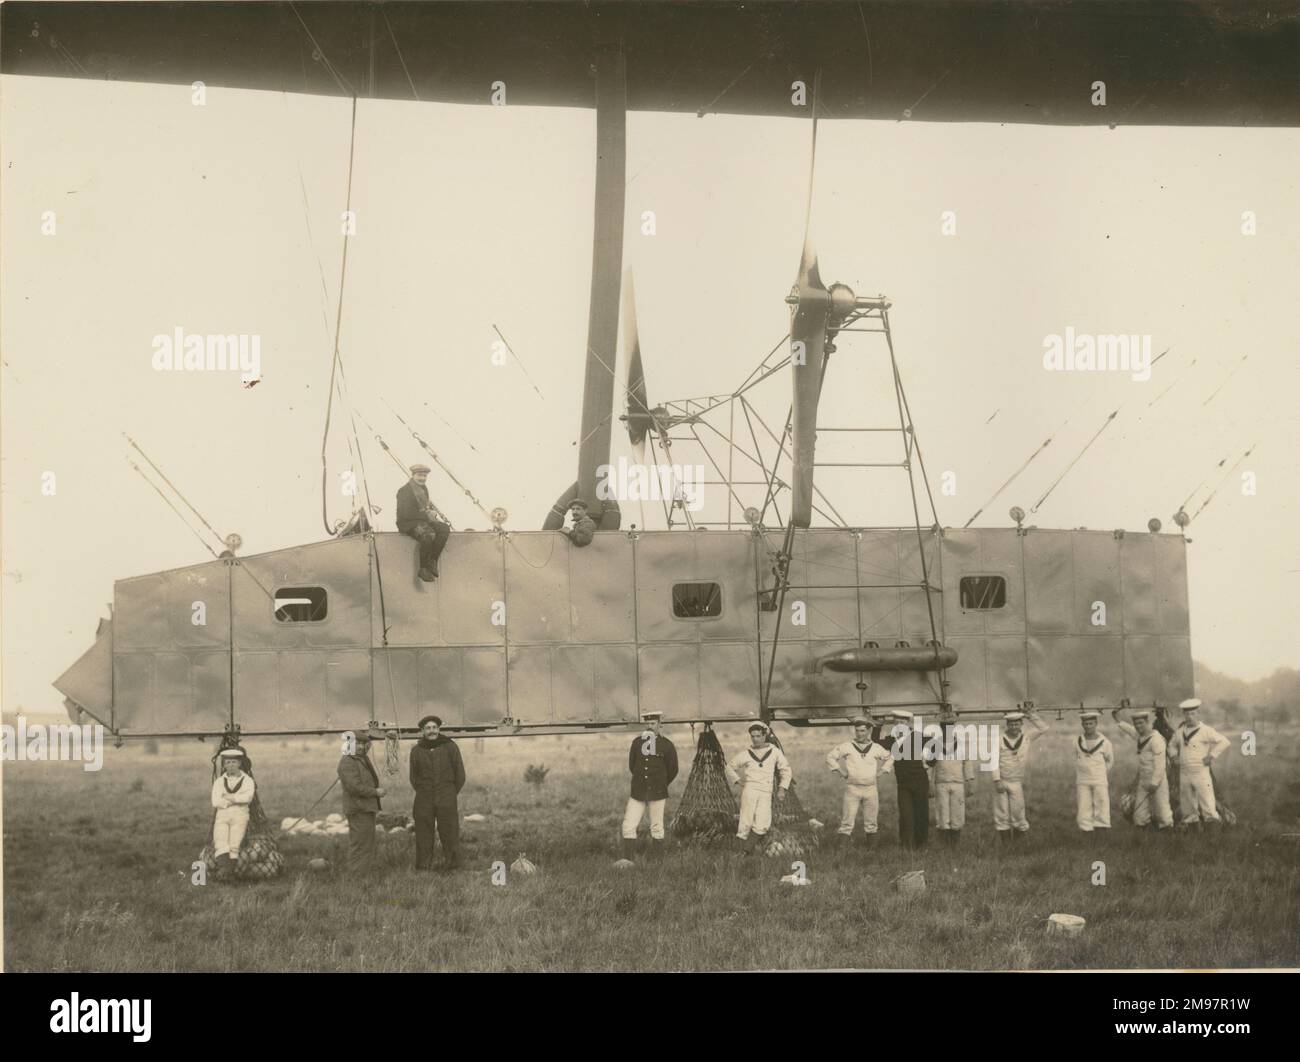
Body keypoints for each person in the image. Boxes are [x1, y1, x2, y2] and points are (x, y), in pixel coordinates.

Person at [824, 716, 894, 845]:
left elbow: (890, 758)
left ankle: (871, 850)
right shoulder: (847, 746)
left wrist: (882, 771)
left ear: (868, 731)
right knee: (847, 821)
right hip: (852, 788)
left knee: (871, 821)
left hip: (870, 788)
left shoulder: (875, 747)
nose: (860, 734)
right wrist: (841, 772)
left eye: (862, 731)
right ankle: (841, 850)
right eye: (857, 731)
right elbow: (830, 757)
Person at [409, 714, 466, 870]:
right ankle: (423, 866)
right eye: (428, 728)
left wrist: (449, 793)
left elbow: (460, 775)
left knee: (449, 831)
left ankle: (453, 866)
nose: (431, 731)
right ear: (422, 730)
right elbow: (413, 777)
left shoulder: (450, 747)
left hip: (446, 797)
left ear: (439, 729)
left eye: (434, 727)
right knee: (423, 832)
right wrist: (424, 791)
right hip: (424, 798)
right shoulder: (417, 750)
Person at [873, 710, 936, 849]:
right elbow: (875, 743)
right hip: (903, 784)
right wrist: (877, 726)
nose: (899, 725)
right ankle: (906, 845)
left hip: (920, 781)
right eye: (896, 723)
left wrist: (928, 764)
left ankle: (921, 844)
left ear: (908, 723)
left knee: (921, 813)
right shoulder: (891, 739)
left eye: (902, 722)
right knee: (905, 814)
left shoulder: (918, 736)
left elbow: (936, 746)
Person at [724, 722, 791, 851]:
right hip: (750, 790)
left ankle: (746, 850)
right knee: (745, 822)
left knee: (763, 824)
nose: (755, 739)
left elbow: (786, 770)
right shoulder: (746, 753)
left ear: (764, 735)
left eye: (758, 736)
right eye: (753, 736)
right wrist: (738, 781)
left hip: (766, 791)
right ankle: (741, 853)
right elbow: (729, 767)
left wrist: (782, 788)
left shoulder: (774, 752)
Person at [622, 711, 679, 859]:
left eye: (653, 723)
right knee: (629, 825)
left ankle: (657, 862)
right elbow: (632, 766)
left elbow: (673, 770)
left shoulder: (667, 745)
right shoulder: (637, 743)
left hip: (657, 792)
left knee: (657, 826)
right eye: (647, 723)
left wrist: (660, 784)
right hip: (638, 791)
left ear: (660, 725)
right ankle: (628, 860)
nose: (649, 726)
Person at [1167, 697, 1231, 829]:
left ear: (1198, 714)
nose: (1189, 717)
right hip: (1184, 771)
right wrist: (1174, 757)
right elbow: (1171, 745)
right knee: (1187, 802)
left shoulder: (1205, 730)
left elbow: (1224, 741)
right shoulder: (1180, 732)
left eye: (1193, 713)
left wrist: (1212, 756)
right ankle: (1193, 828)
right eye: (1187, 714)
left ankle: (1213, 828)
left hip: (1200, 770)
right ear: (1183, 715)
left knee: (1207, 801)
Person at [991, 708, 1048, 841]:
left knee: (1018, 812)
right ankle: (1006, 845)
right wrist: (997, 780)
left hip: (1016, 781)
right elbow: (993, 761)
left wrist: (1030, 716)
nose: (1014, 727)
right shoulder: (999, 739)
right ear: (1007, 725)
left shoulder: (1026, 736)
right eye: (1011, 724)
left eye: (1017, 724)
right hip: (1002, 780)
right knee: (1002, 813)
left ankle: (1018, 845)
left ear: (1021, 724)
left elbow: (1044, 728)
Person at [1112, 707, 1173, 830]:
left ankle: (1169, 836)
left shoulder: (1157, 739)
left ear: (1147, 723)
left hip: (1158, 781)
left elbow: (1160, 765)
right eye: (1136, 723)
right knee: (1139, 814)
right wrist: (1117, 719)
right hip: (1143, 779)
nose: (1138, 726)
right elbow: (1130, 730)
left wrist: (1155, 783)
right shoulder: (1141, 736)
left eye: (1141, 723)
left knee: (1163, 811)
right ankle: (1142, 837)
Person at [337, 727, 387, 873]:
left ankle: (363, 873)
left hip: (365, 808)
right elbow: (355, 788)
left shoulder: (361, 758)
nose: (359, 746)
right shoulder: (347, 762)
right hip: (358, 809)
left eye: (362, 743)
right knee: (360, 844)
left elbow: (368, 745)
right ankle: (357, 875)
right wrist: (375, 792)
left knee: (366, 842)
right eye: (355, 743)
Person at [396, 464, 450, 581]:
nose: (422, 478)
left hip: (421, 520)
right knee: (428, 534)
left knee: (444, 528)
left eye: (424, 476)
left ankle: (433, 560)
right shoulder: (404, 491)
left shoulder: (423, 488)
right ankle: (423, 568)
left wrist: (430, 513)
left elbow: (424, 506)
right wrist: (427, 515)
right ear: (413, 475)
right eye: (419, 475)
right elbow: (406, 513)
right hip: (407, 523)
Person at [211, 747, 256, 879]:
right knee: (220, 842)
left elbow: (247, 798)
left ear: (239, 763)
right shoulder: (219, 782)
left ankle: (228, 873)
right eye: (228, 762)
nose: (231, 765)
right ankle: (226, 872)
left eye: (234, 762)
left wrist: (229, 797)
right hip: (222, 815)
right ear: (224, 765)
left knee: (234, 844)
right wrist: (235, 800)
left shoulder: (247, 780)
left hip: (240, 815)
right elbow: (215, 801)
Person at [932, 721, 977, 845]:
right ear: (941, 729)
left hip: (958, 783)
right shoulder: (935, 745)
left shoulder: (961, 745)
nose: (947, 731)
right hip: (941, 783)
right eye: (944, 728)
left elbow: (967, 763)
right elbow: (930, 766)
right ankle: (944, 844)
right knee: (942, 813)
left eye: (950, 728)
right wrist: (930, 784)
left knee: (957, 813)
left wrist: (970, 782)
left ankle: (954, 844)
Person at [1073, 710, 1114, 832]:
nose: (1088, 726)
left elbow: (1110, 760)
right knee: (1083, 805)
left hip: (1099, 779)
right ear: (1082, 725)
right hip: (1083, 779)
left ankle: (1102, 828)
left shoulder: (1105, 742)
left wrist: (1101, 772)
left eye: (1091, 723)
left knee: (1101, 803)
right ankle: (1086, 830)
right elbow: (1075, 758)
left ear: (1096, 724)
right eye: (1086, 723)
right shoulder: (1077, 741)